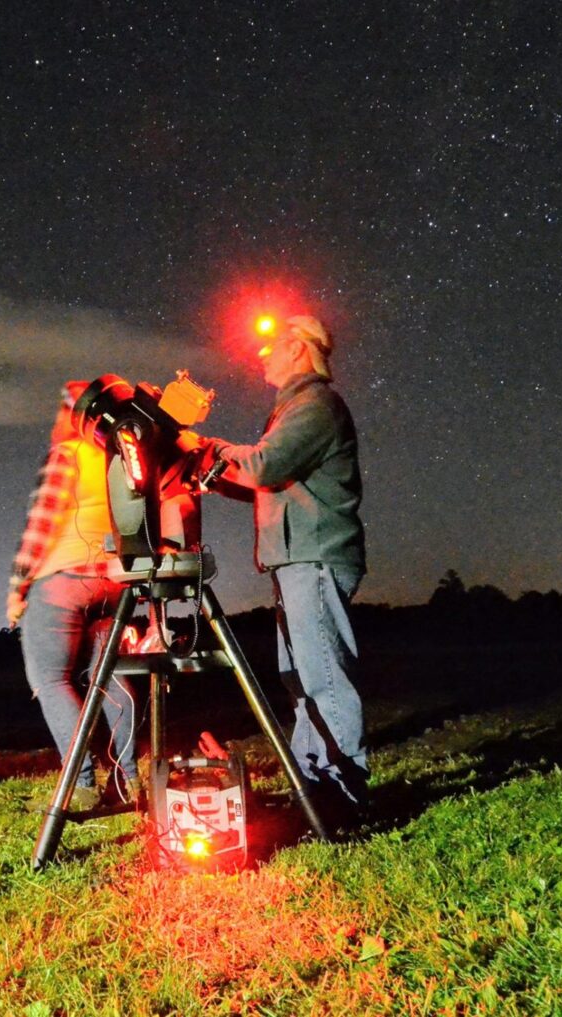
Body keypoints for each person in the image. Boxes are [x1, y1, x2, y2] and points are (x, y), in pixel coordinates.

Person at [201, 315, 369, 821]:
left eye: (270, 346)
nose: (260, 355)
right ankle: (312, 781)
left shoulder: (315, 405)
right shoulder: (295, 409)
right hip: (296, 559)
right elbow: (262, 477)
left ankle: (346, 790)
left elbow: (262, 467)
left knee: (322, 677)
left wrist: (205, 449)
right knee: (299, 677)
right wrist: (212, 471)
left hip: (314, 557)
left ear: (298, 349)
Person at [7, 381, 137, 811]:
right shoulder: (125, 456)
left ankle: (80, 785)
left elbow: (41, 525)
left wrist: (18, 588)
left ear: (75, 415)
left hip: (65, 580)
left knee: (51, 679)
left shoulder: (69, 455)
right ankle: (132, 782)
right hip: (115, 581)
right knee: (113, 680)